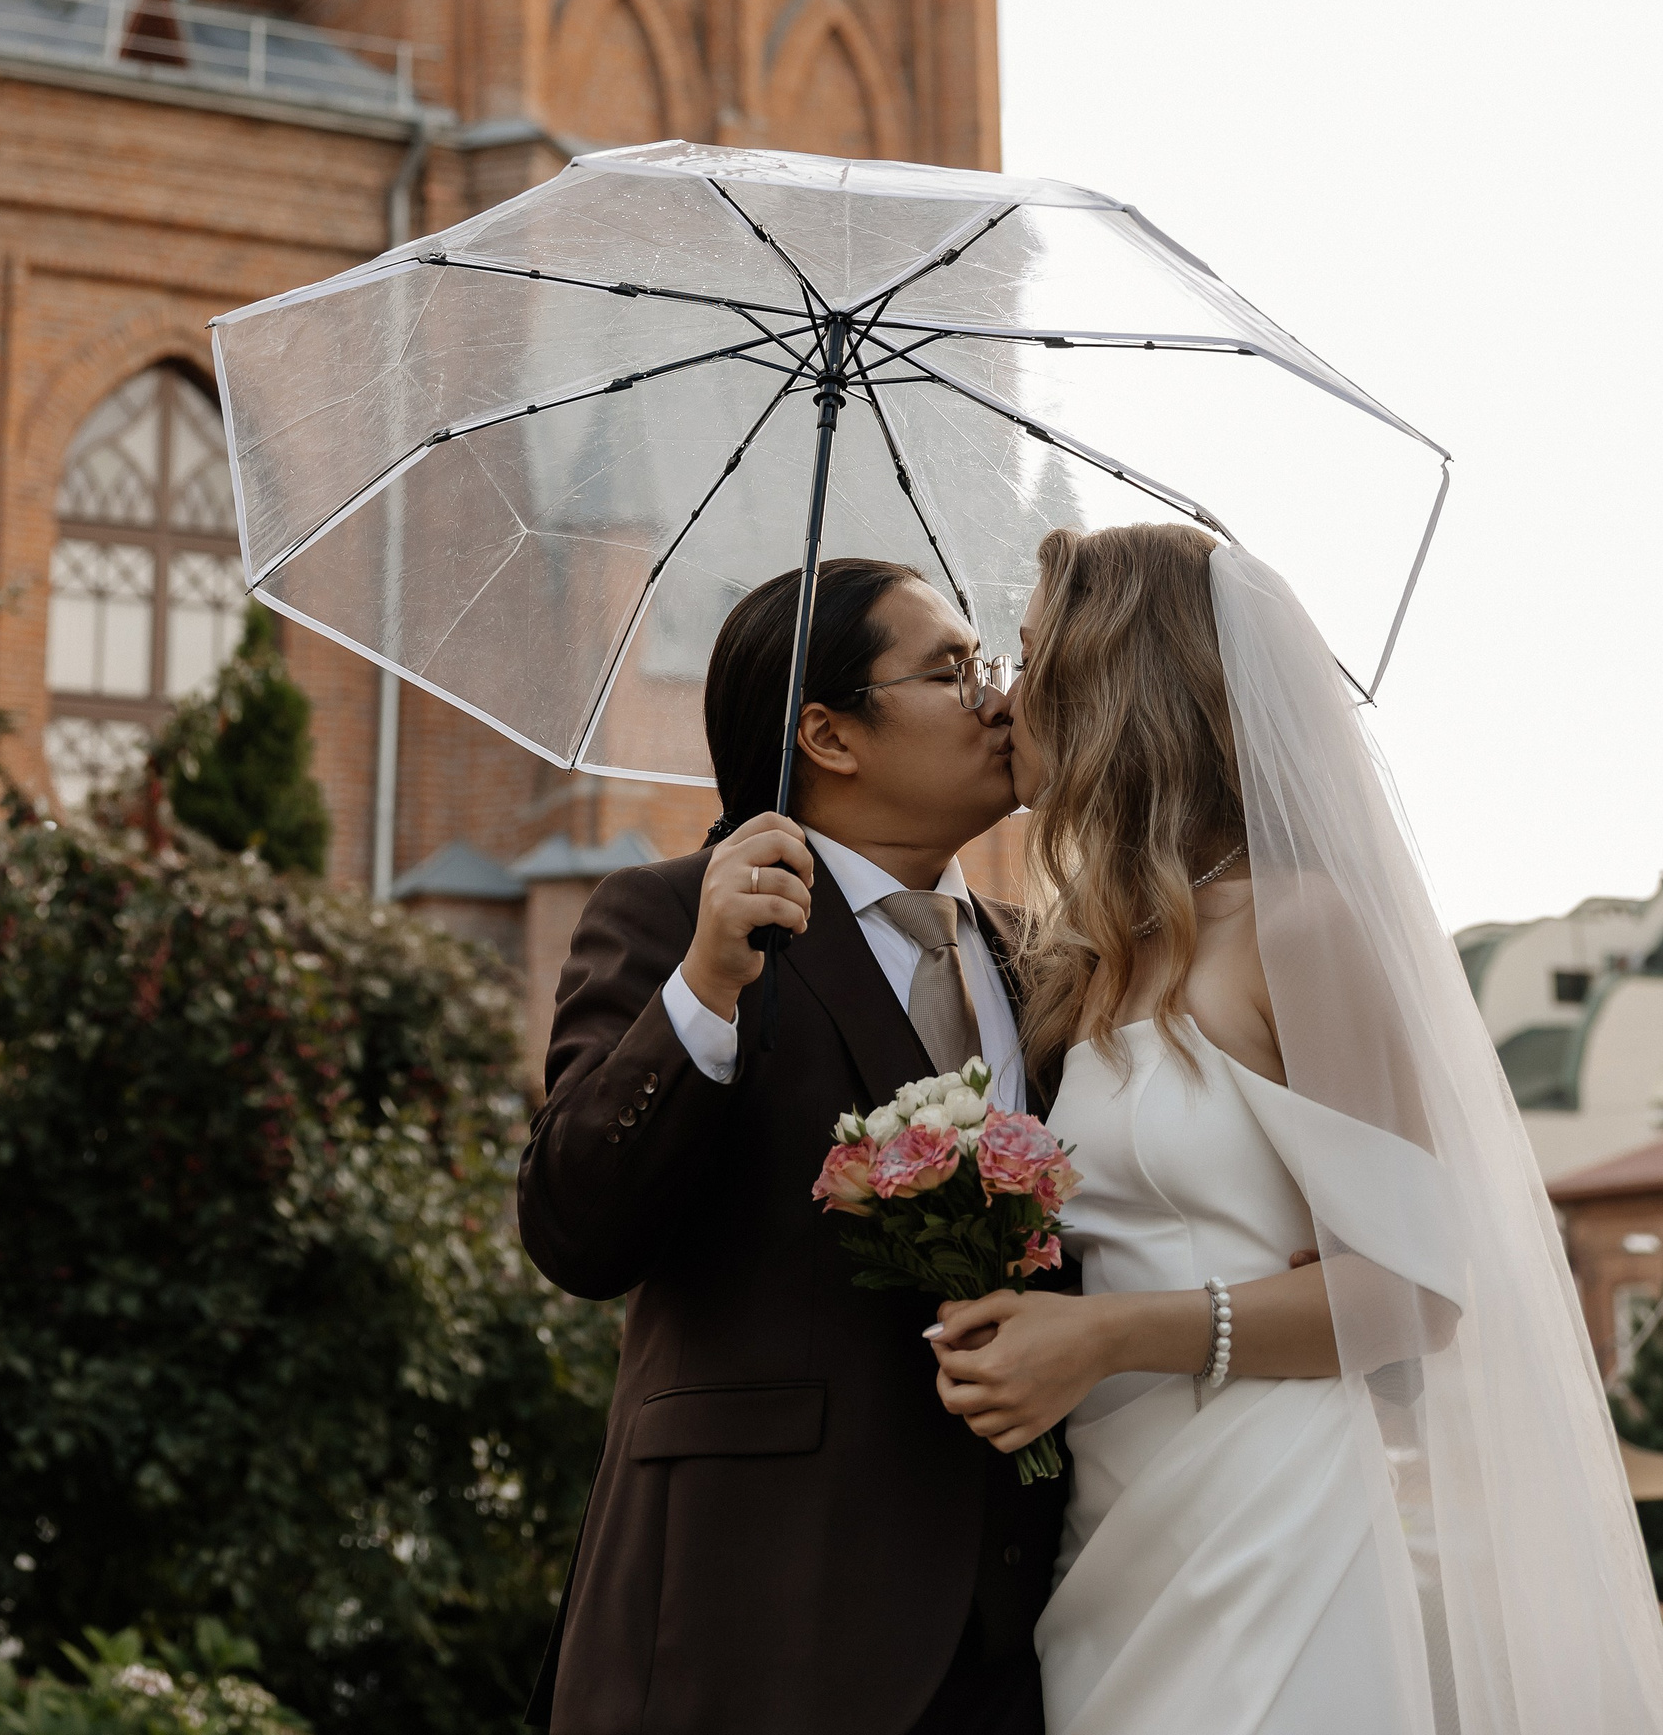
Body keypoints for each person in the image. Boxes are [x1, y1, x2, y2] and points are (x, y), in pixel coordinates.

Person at [926, 524, 1663, 1734]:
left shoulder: (1299, 928)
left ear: (1115, 686)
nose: (1004, 698)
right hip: (1108, 1521)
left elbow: (1415, 1293)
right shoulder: (1082, 961)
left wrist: (1107, 1335)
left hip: (1267, 1512)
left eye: (1029, 654)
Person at [518, 556, 1060, 1735]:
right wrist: (707, 985)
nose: (998, 701)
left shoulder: (1051, 963)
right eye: (951, 672)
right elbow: (575, 1229)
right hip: (745, 1621)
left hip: (1014, 1638)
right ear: (829, 733)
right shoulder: (675, 918)